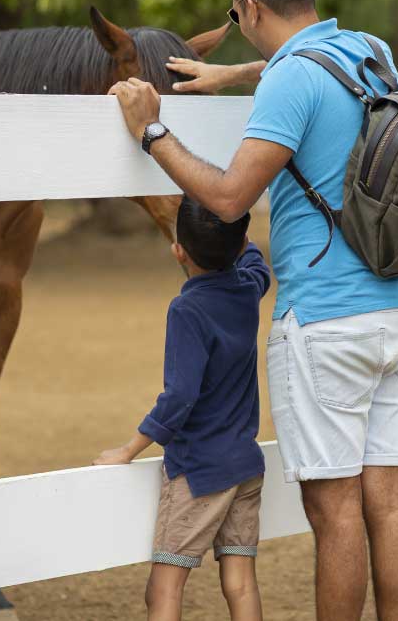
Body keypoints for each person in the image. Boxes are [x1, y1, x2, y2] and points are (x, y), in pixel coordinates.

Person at [108, 0, 398, 621]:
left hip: (329, 321)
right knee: (389, 497)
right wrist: (237, 76)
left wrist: (152, 132)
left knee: (336, 510)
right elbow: (315, 83)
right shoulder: (373, 52)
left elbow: (229, 197)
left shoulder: (290, 79)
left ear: (249, 7)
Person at [93, 197, 270, 621]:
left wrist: (128, 450)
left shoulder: (188, 309)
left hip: (200, 472)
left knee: (164, 588)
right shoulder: (248, 288)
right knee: (240, 581)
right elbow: (256, 262)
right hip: (245, 466)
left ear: (178, 251)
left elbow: (179, 396)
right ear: (242, 239)